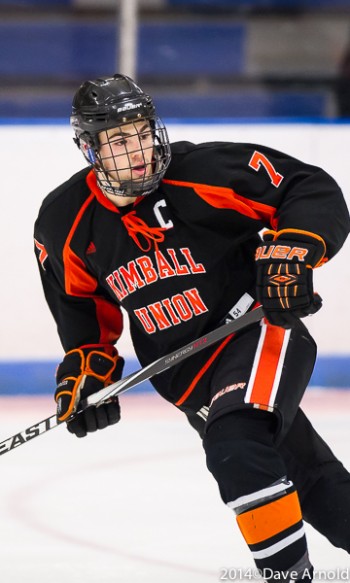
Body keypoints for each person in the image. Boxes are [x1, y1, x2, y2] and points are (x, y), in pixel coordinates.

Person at [34, 74, 350, 581]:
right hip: (184, 374)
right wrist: (87, 374)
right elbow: (82, 314)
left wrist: (294, 249)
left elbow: (307, 187)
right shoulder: (62, 221)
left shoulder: (202, 170)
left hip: (255, 327)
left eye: (141, 132)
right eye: (118, 139)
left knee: (237, 444)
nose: (137, 149)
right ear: (89, 148)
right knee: (307, 477)